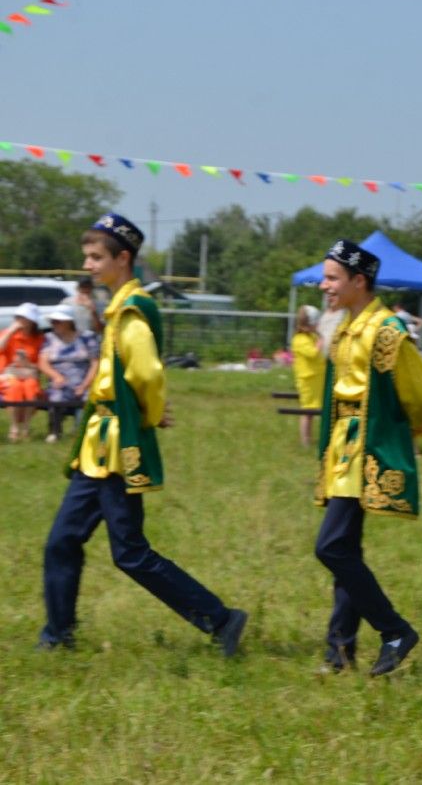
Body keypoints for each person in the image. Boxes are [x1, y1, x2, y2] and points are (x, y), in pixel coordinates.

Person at [39, 213, 248, 655]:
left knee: (130, 552)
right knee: (63, 541)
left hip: (116, 447)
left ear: (123, 258)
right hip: (98, 447)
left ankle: (221, 619)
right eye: (87, 257)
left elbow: (148, 375)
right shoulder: (116, 308)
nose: (89, 266)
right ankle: (58, 635)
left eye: (96, 257)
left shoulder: (133, 310)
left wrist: (149, 417)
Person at [314, 239, 422, 676]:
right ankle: (339, 652)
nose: (323, 285)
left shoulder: (386, 332)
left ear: (358, 281)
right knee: (343, 549)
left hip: (366, 449)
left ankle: (394, 630)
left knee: (330, 548)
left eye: (332, 278)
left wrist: (406, 438)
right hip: (342, 451)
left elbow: (419, 391)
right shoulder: (344, 327)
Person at [39, 306, 99, 443]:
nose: (54, 324)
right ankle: (54, 431)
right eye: (52, 321)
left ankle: (82, 431)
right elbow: (42, 363)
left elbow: (95, 363)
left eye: (57, 321)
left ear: (69, 322)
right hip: (60, 384)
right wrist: (55, 376)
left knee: (88, 397)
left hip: (84, 382)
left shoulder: (86, 337)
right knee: (56, 395)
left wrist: (84, 385)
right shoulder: (49, 338)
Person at [0, 303, 47, 442]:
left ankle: (26, 427)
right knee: (14, 386)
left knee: (31, 386)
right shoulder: (8, 333)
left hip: (29, 374)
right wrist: (10, 331)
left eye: (25, 318)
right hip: (8, 375)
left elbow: (41, 363)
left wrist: (29, 364)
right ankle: (14, 427)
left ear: (33, 321)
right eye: (19, 317)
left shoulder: (39, 338)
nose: (22, 321)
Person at [291, 304, 326, 447]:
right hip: (307, 381)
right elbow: (312, 353)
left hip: (317, 379)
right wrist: (321, 342)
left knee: (316, 410)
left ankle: (314, 438)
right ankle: (305, 440)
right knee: (307, 411)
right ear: (308, 324)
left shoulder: (311, 336)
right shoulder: (299, 339)